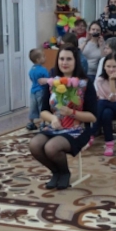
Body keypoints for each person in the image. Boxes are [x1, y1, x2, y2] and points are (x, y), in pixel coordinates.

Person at [29, 45, 97, 190]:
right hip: (56, 126)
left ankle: (65, 173)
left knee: (51, 147)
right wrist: (53, 119)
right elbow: (44, 111)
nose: (64, 62)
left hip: (78, 129)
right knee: (34, 144)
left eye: (68, 59)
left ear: (75, 61)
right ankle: (56, 172)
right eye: (61, 59)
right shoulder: (53, 82)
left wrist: (72, 112)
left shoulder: (85, 83)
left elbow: (92, 117)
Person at [27, 48, 50, 131]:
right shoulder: (43, 70)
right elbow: (48, 80)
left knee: (33, 107)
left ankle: (30, 123)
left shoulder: (31, 70)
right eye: (43, 56)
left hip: (33, 91)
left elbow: (31, 79)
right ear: (38, 59)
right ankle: (42, 123)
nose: (45, 58)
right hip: (41, 91)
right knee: (42, 107)